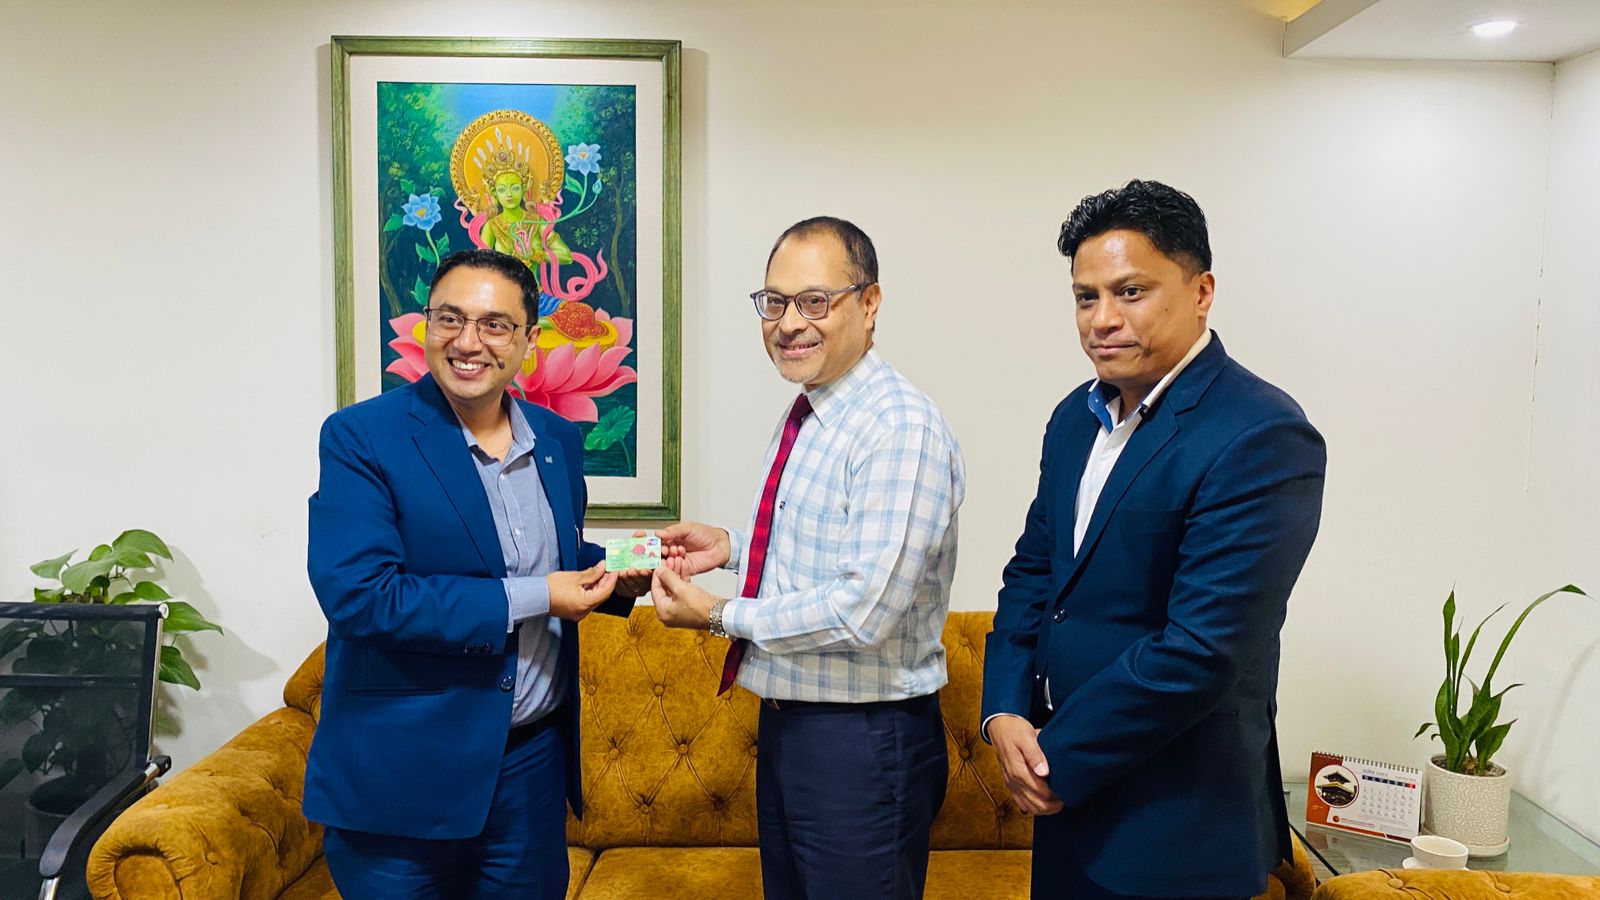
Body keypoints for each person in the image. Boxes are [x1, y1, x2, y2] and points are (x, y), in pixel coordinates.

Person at [981, 181, 1327, 900]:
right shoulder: (1073, 419)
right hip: (1066, 812)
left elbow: (1201, 648)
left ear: (1201, 292)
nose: (1102, 319)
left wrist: (1054, 759)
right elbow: (1035, 574)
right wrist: (1003, 710)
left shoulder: (1262, 434)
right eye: (1085, 297)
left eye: (1130, 292)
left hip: (1177, 825)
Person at [305, 248, 647, 899]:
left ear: (529, 340)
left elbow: (551, 558)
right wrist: (539, 596)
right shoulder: (361, 436)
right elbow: (362, 596)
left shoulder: (556, 438)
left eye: (494, 324)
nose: (467, 342)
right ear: (426, 324)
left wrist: (637, 566)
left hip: (529, 770)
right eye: (450, 318)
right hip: (402, 776)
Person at [648, 217, 966, 899]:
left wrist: (718, 615)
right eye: (775, 302)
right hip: (794, 724)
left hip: (863, 741)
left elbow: (861, 611)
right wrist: (732, 547)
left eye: (815, 301)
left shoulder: (897, 426)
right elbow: (828, 552)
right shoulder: (817, 411)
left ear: (869, 303)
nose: (789, 323)